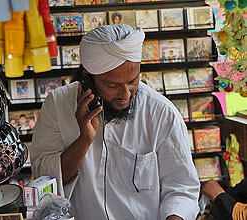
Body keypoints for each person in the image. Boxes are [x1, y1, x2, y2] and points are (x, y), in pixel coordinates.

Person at [31, 24, 200, 220]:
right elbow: (45, 179)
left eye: (132, 81)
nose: (125, 94)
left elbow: (182, 189)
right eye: (112, 85)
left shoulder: (161, 112)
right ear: (88, 78)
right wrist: (84, 140)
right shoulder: (58, 105)